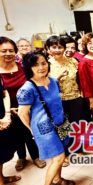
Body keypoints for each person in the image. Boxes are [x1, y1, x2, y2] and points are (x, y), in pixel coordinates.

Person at [17, 50, 75, 185]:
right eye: (36, 65)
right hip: (44, 130)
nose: (41, 67)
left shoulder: (53, 81)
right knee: (59, 158)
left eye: (43, 63)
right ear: (29, 68)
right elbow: (23, 114)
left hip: (60, 124)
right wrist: (32, 130)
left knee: (60, 155)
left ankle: (57, 180)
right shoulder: (27, 89)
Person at [0, 36, 45, 170]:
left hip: (27, 107)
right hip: (7, 110)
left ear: (15, 52)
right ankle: (21, 157)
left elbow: (34, 83)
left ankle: (36, 156)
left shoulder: (23, 67)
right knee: (16, 135)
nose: (8, 54)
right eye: (4, 51)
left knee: (30, 132)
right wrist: (8, 110)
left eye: (11, 50)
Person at [45, 36, 85, 165]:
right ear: (48, 49)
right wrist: (57, 78)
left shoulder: (73, 61)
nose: (57, 50)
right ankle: (64, 153)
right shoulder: (46, 64)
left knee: (76, 125)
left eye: (60, 47)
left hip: (75, 97)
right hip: (58, 101)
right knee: (62, 127)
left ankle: (77, 149)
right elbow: (44, 84)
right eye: (54, 47)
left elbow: (80, 79)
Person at [0, 77, 21, 185]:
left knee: (2, 151)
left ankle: (1, 178)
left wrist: (7, 114)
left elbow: (4, 93)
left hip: (3, 118)